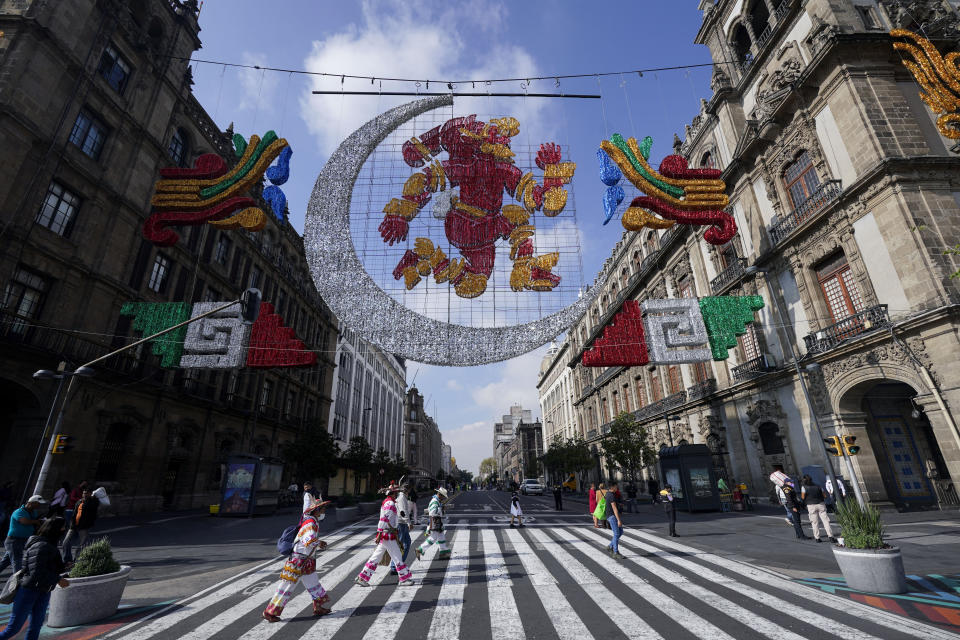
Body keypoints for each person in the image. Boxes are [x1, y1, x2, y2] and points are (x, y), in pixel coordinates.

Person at [262, 496, 333, 622]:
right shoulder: (311, 523)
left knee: (313, 583)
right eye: (323, 508)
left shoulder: (312, 521)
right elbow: (308, 541)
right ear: (316, 510)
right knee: (287, 587)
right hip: (299, 560)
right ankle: (269, 612)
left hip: (305, 560)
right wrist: (319, 543)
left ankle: (318, 607)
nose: (324, 511)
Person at [0, 517, 69, 640]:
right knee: (14, 628)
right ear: (54, 529)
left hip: (43, 590)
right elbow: (36, 571)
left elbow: (49, 567)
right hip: (29, 591)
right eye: (63, 527)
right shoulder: (41, 545)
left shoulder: (49, 544)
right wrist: (57, 579)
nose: (65, 529)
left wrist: (65, 567)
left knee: (36, 626)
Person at [356, 482, 415, 587]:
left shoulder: (388, 502)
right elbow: (384, 519)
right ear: (393, 493)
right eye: (396, 492)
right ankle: (404, 579)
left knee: (376, 557)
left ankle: (362, 577)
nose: (397, 494)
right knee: (397, 557)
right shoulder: (390, 504)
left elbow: (385, 519)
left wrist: (380, 533)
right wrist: (379, 534)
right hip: (387, 534)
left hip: (386, 534)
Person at [0, 495, 45, 575]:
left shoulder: (33, 512)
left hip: (23, 540)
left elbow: (34, 521)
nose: (39, 506)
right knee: (17, 561)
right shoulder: (19, 512)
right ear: (31, 503)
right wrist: (35, 521)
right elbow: (24, 521)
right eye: (38, 504)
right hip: (13, 540)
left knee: (6, 561)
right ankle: (17, 580)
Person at [61, 488, 99, 563]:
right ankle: (67, 559)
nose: (84, 495)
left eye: (86, 493)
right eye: (83, 493)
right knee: (65, 542)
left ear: (90, 494)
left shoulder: (93, 502)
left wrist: (90, 499)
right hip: (74, 526)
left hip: (84, 526)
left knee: (82, 544)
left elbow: (92, 508)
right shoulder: (79, 502)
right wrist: (71, 524)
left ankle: (77, 561)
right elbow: (74, 513)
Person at [415, 487, 450, 560]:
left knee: (441, 536)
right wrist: (431, 526)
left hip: (436, 521)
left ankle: (443, 552)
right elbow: (432, 514)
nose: (443, 498)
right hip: (435, 521)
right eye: (443, 496)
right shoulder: (435, 502)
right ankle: (420, 549)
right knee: (433, 538)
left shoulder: (436, 501)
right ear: (440, 495)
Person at [801, 475, 836, 543]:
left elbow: (803, 497)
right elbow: (824, 495)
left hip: (811, 505)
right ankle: (831, 537)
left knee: (814, 522)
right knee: (826, 521)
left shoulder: (804, 487)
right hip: (820, 504)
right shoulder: (818, 485)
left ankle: (817, 538)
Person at [389, 483, 413, 576]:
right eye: (409, 489)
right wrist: (409, 522)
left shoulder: (401, 496)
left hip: (401, 523)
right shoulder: (402, 497)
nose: (410, 491)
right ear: (407, 490)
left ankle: (399, 564)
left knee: (406, 543)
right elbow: (403, 511)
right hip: (401, 523)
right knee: (400, 545)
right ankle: (395, 566)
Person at [602, 481, 624, 558]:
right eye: (616, 486)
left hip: (611, 515)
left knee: (620, 531)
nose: (617, 487)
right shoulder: (611, 495)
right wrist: (619, 520)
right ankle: (615, 552)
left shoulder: (608, 493)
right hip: (612, 516)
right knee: (617, 533)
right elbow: (614, 508)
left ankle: (610, 546)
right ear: (613, 487)